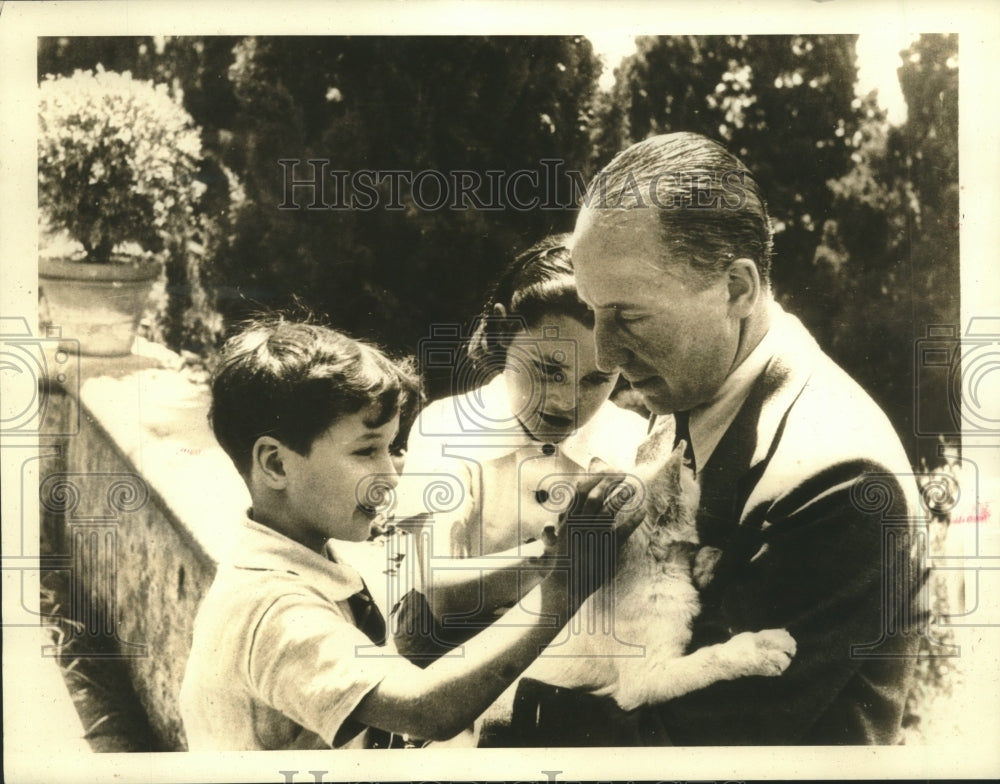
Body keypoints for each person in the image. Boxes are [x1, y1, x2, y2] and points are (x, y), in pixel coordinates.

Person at [518, 131, 926, 745]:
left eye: (628, 316)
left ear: (737, 288)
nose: (604, 352)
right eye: (593, 311)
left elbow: (684, 740)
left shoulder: (838, 479)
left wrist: (489, 715)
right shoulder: (689, 393)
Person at [178, 317, 635, 750]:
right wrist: (562, 590)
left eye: (391, 448)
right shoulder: (271, 608)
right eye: (365, 451)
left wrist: (551, 556)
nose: (390, 476)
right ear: (276, 464)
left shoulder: (320, 552)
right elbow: (423, 708)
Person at [391, 235, 647, 655]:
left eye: (597, 380)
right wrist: (559, 558)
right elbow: (436, 591)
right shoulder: (449, 428)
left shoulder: (630, 438)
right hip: (464, 672)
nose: (566, 404)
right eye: (549, 370)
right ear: (503, 331)